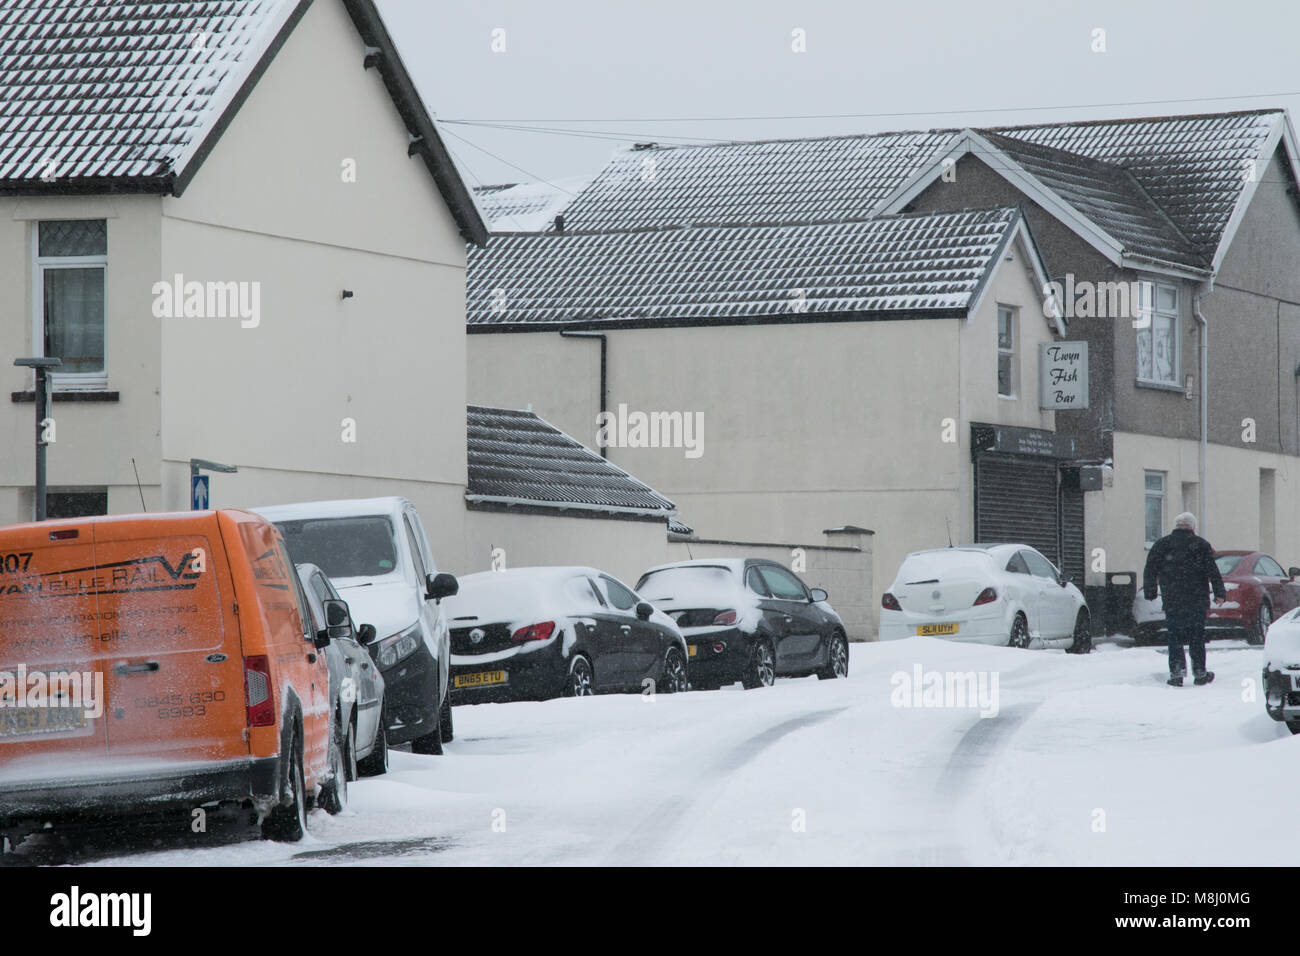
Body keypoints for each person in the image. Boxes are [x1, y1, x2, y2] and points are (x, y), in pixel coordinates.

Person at [1142, 512, 1225, 686]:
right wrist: (1219, 593)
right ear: (1193, 527)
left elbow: (1150, 569)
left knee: (1174, 636)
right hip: (1197, 599)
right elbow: (1213, 570)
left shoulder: (1162, 545)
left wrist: (1150, 591)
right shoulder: (1201, 545)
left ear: (1175, 526)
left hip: (1173, 598)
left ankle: (1177, 673)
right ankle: (1200, 672)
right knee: (1197, 635)